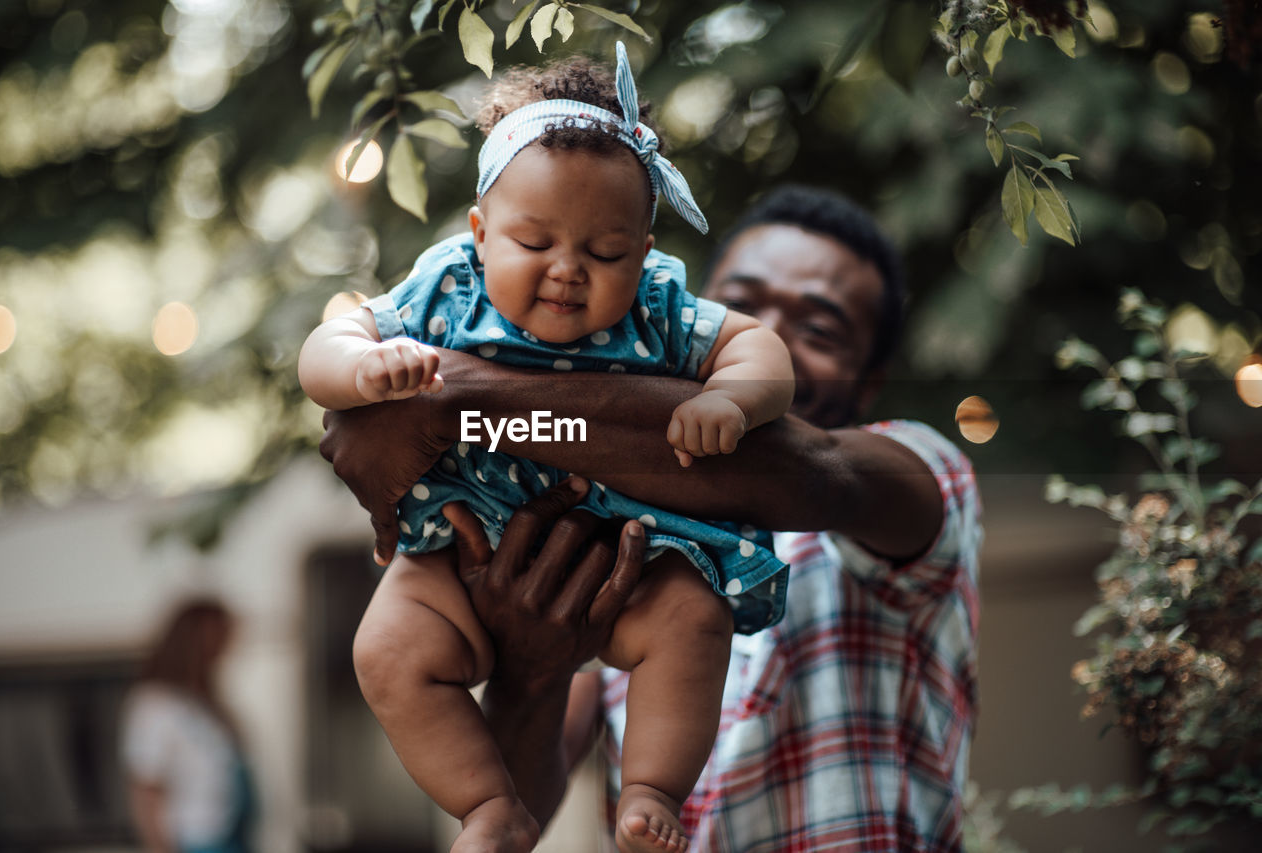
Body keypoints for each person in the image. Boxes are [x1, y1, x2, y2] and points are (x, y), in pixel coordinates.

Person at [319, 186, 980, 851]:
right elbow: (521, 809)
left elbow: (796, 468)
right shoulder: (600, 511)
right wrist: (537, 665)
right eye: (745, 307)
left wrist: (449, 404)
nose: (773, 336)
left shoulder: (916, 469)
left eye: (818, 330)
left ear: (868, 381)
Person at [299, 44, 793, 853]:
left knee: (692, 617)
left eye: (604, 254)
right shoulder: (444, 287)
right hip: (456, 553)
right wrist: (362, 367)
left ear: (642, 252)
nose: (568, 270)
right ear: (481, 233)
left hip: (633, 553)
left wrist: (733, 397)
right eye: (534, 243)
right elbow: (325, 348)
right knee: (387, 649)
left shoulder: (659, 306)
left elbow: (759, 347)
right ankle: (489, 803)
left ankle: (650, 790)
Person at [119, 597, 256, 853]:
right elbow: (146, 789)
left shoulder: (203, 702)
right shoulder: (155, 704)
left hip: (233, 836)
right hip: (197, 842)